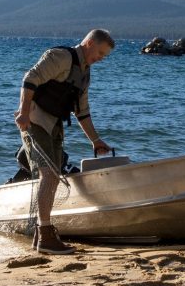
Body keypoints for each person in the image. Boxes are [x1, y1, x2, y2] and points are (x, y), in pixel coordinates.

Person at [15, 29, 115, 254]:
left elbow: (83, 112)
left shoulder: (85, 73)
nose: (100, 58)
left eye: (104, 56)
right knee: (49, 175)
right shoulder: (61, 57)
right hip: (34, 119)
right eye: (100, 52)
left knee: (54, 176)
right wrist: (22, 113)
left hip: (55, 126)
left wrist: (96, 140)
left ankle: (42, 235)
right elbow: (30, 79)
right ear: (89, 43)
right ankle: (46, 236)